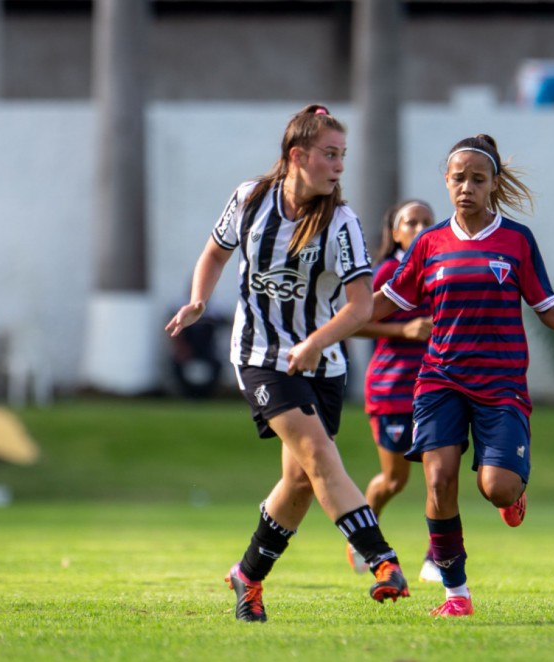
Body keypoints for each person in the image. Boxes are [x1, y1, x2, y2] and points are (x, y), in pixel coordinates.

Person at [165, 104, 409, 623]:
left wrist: (316, 342)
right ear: (297, 156)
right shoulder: (250, 198)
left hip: (322, 364)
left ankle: (247, 577)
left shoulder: (341, 222)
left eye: (343, 155)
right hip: (260, 357)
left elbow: (361, 306)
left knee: (300, 482)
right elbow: (214, 253)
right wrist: (198, 300)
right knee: (320, 454)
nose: (340, 165)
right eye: (329, 154)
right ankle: (380, 559)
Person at [370, 134, 554, 617]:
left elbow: (546, 306)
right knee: (438, 483)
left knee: (497, 487)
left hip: (501, 385)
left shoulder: (516, 240)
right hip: (440, 380)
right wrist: (337, 314)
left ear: (493, 184)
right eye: (458, 178)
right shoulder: (428, 244)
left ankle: (514, 493)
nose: (467, 187)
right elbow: (385, 302)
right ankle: (457, 596)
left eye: (478, 178)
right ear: (446, 182)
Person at [346, 200, 441, 583]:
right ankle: (363, 531)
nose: (419, 228)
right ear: (396, 231)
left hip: (437, 387)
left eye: (427, 222)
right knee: (395, 480)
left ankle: (437, 557)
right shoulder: (387, 271)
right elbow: (353, 322)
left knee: (440, 473)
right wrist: (402, 330)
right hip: (392, 390)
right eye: (410, 222)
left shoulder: (444, 268)